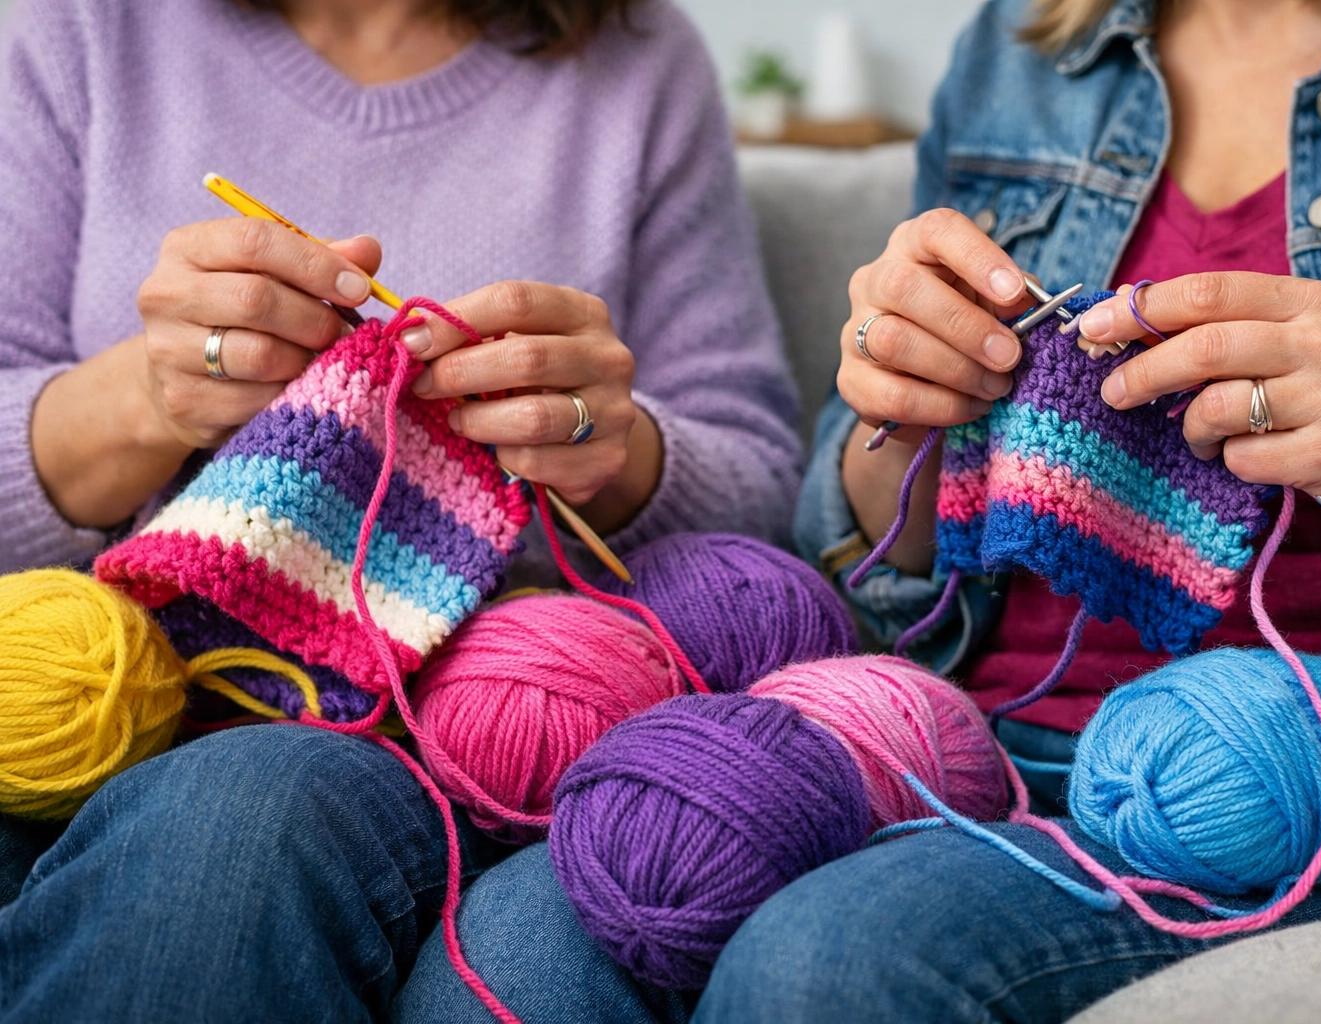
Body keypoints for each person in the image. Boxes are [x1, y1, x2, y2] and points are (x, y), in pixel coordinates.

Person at [393, 0, 1321, 1021]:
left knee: (831, 966)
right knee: (516, 950)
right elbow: (894, 547)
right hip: (971, 733)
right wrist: (903, 404)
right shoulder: (1026, 48)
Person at [0, 0, 799, 1020]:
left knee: (235, 828)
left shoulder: (637, 63)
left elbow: (772, 488)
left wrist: (617, 451)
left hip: (433, 727)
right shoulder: (80, 27)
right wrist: (142, 400)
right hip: (73, 691)